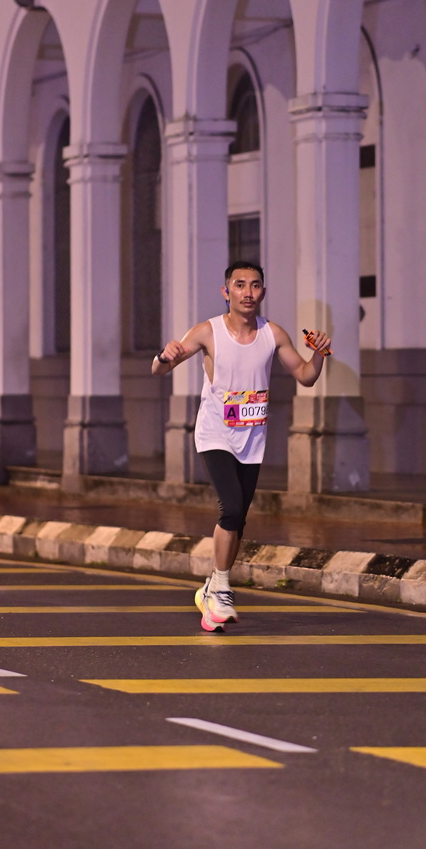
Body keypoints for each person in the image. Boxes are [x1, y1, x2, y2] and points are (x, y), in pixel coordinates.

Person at [152, 261, 331, 632]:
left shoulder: (273, 333)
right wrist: (163, 355)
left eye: (255, 285)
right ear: (226, 292)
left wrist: (319, 353)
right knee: (231, 507)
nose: (248, 292)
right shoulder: (208, 331)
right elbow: (160, 369)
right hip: (215, 434)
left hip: (252, 438)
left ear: (263, 292)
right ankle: (220, 588)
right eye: (239, 285)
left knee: (238, 519)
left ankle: (212, 587)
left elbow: (306, 377)